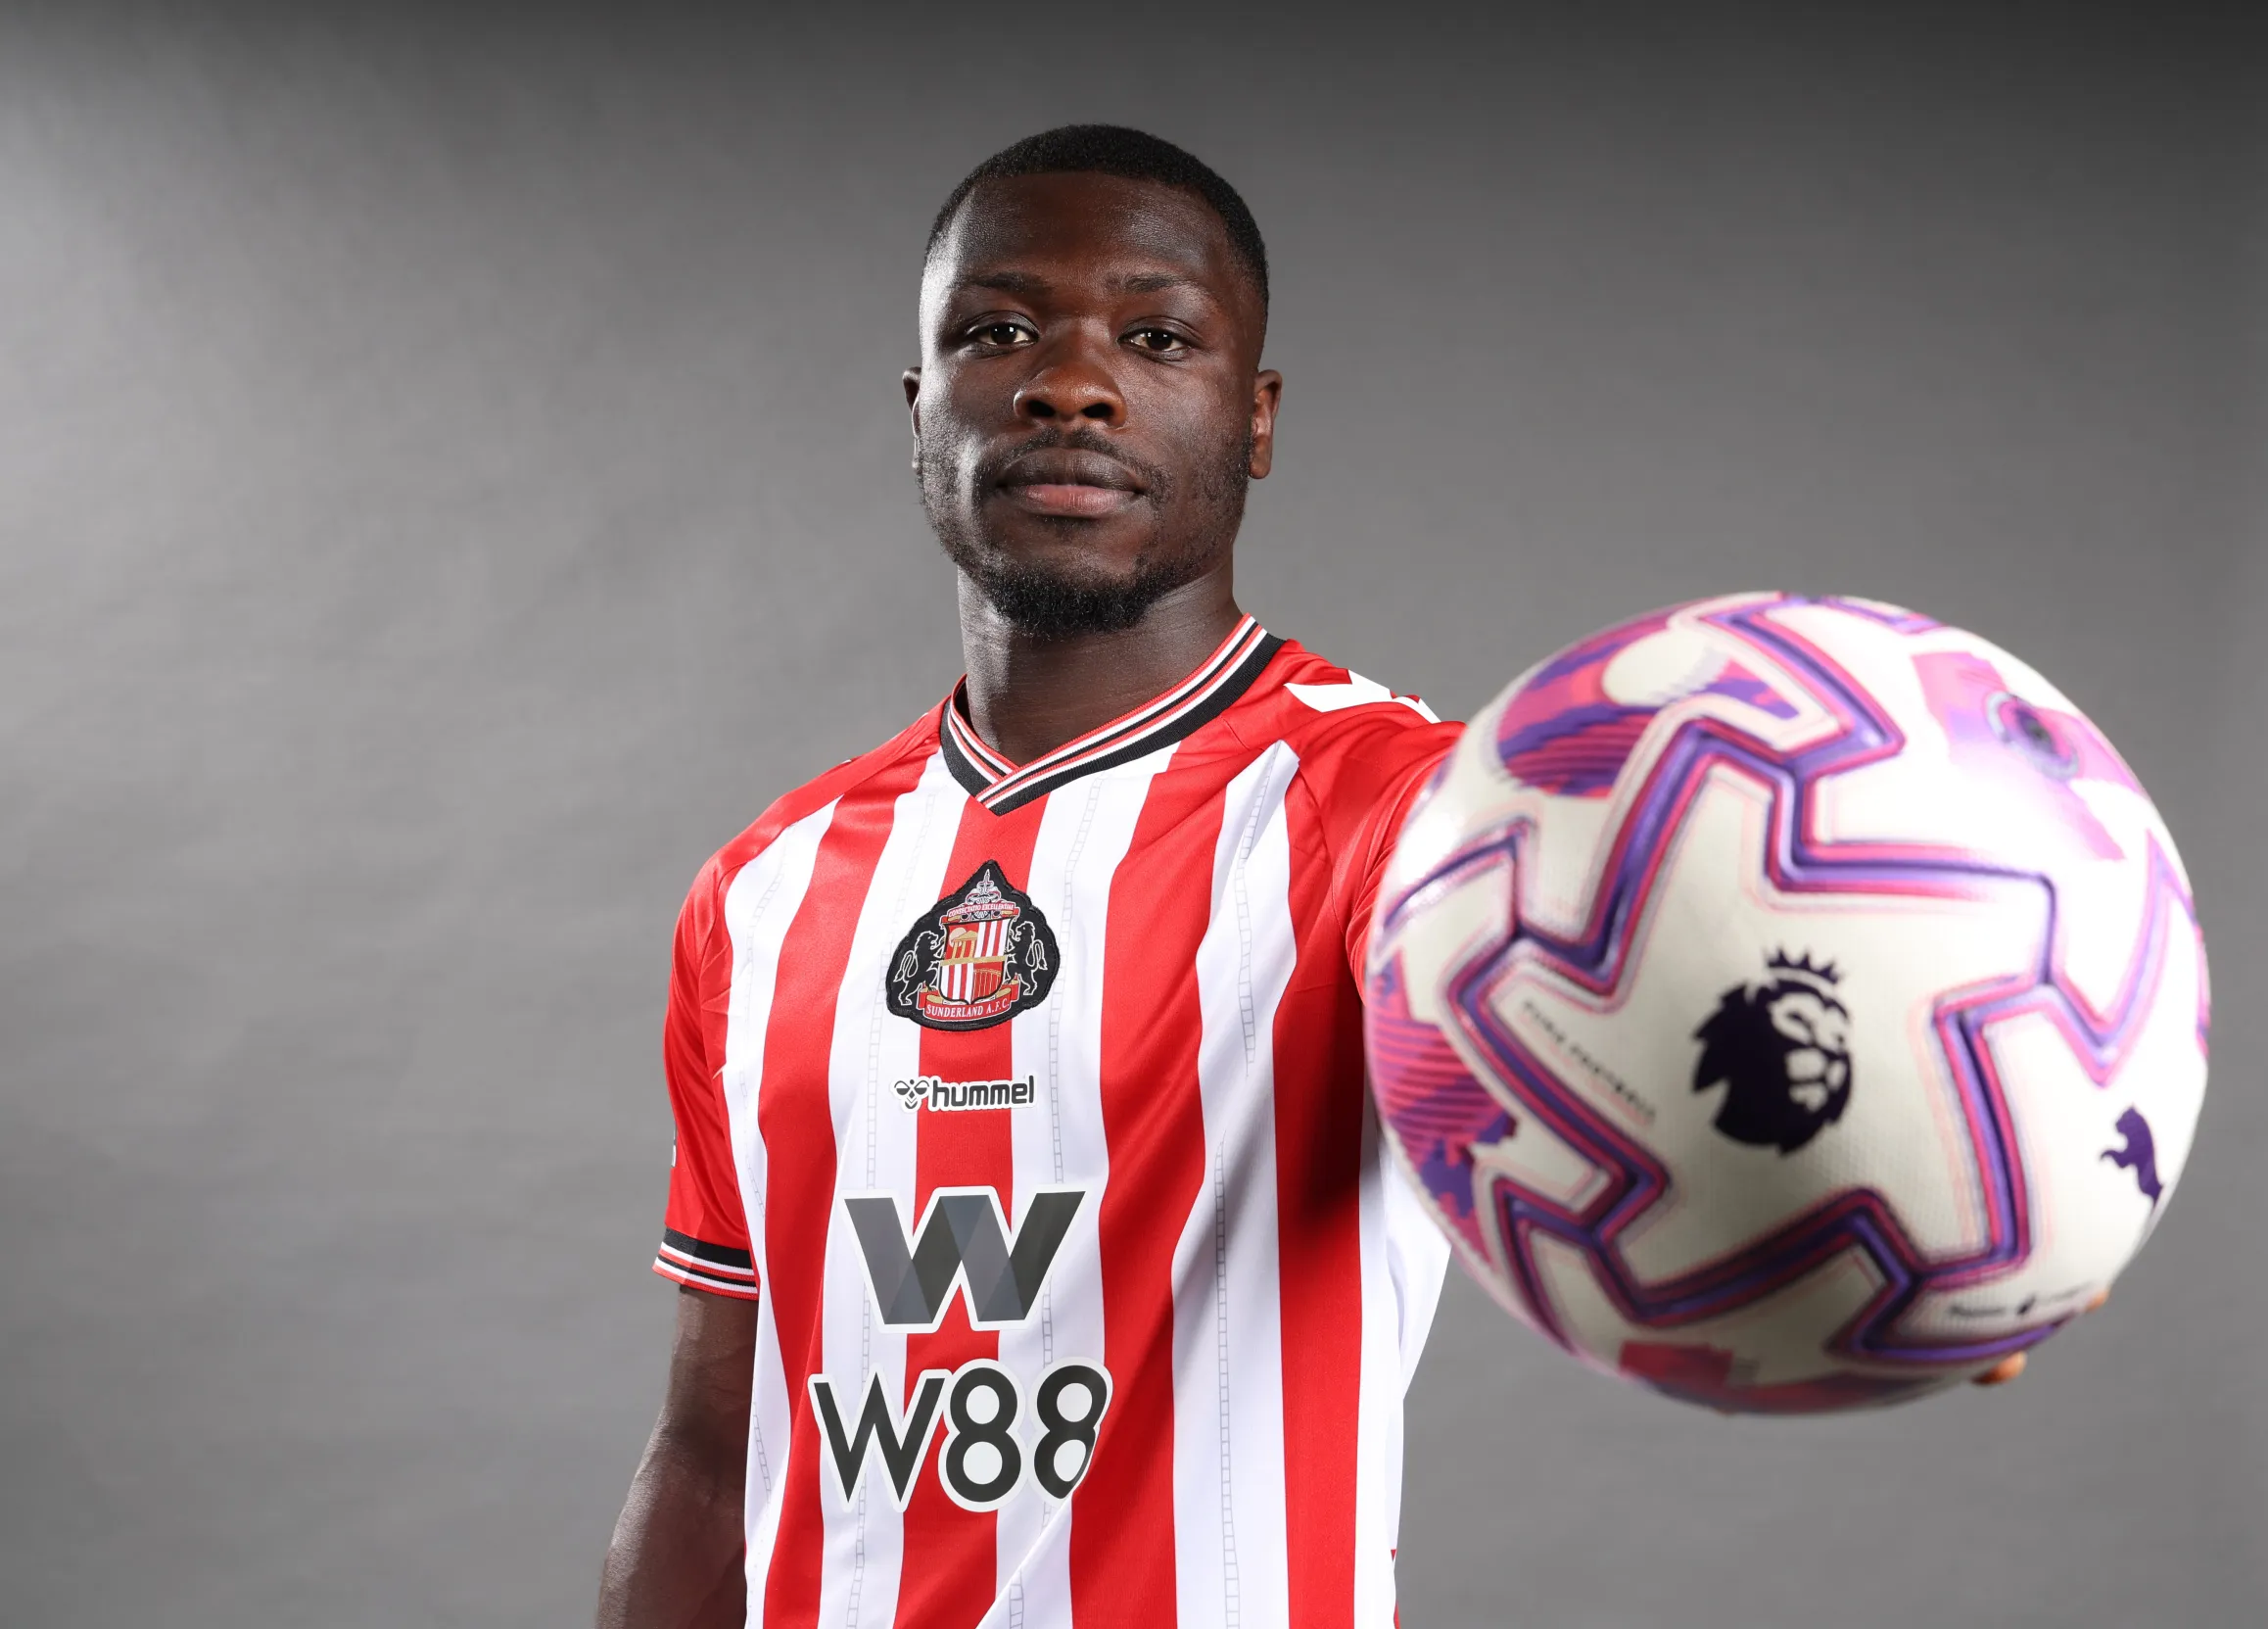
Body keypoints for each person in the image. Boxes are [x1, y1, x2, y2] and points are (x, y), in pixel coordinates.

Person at [596, 124, 2041, 1629]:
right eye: (998, 331)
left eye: (1155, 336)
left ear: (1255, 417)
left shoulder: (1406, 810)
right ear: (920, 409)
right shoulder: (764, 893)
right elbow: (713, 1448)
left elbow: (1647, 1025)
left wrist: (1928, 1206)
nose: (1069, 382)